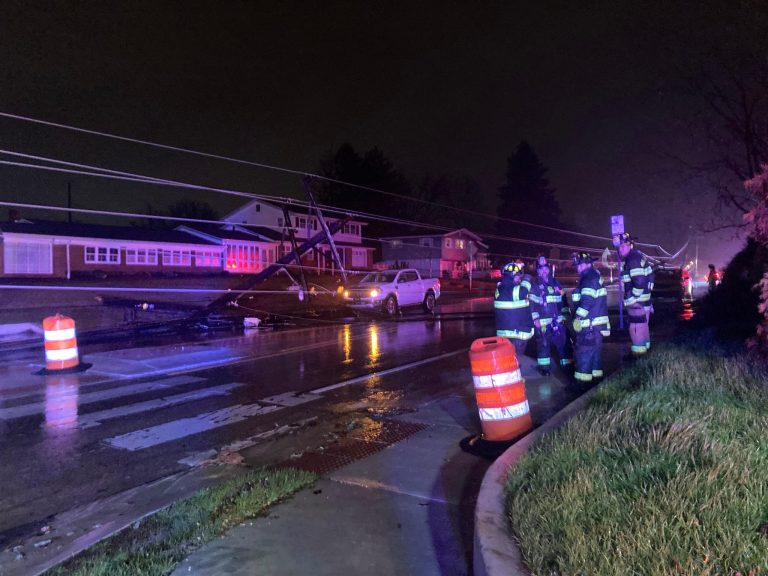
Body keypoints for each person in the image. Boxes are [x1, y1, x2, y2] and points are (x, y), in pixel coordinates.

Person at [529, 256, 573, 375]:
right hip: (542, 322)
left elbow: (563, 300)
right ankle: (544, 368)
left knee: (564, 343)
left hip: (558, 320)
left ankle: (567, 366)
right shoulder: (535, 285)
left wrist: (565, 314)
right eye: (541, 269)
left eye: (545, 268)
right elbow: (532, 304)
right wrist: (535, 318)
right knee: (543, 345)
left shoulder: (555, 282)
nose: (544, 271)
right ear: (537, 270)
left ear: (549, 269)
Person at [571, 252, 610, 385]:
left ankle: (582, 383)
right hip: (596, 325)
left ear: (586, 264)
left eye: (579, 265)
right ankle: (595, 380)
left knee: (584, 352)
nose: (577, 268)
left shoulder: (588, 278)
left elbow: (587, 301)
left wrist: (577, 318)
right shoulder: (594, 275)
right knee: (595, 353)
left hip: (589, 324)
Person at [618, 233, 653, 357]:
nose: (620, 249)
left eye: (623, 246)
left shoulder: (632, 258)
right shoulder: (639, 256)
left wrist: (632, 298)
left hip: (638, 302)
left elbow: (639, 281)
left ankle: (638, 357)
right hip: (645, 301)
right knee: (643, 328)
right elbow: (650, 276)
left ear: (630, 245)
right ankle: (646, 353)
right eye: (619, 247)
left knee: (636, 329)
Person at [494, 261, 534, 356]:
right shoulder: (510, 289)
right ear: (513, 275)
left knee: (509, 362)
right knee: (516, 362)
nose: (519, 280)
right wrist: (527, 279)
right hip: (516, 334)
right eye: (519, 277)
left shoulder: (501, 289)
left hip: (507, 333)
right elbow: (522, 292)